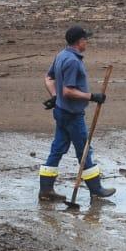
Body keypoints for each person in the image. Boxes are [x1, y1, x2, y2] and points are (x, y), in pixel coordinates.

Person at [37, 25, 116, 202]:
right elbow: (68, 91)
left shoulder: (61, 55)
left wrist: (54, 96)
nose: (87, 42)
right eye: (85, 39)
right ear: (80, 42)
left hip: (60, 111)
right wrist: (92, 96)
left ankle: (45, 191)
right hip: (72, 114)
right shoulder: (72, 61)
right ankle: (96, 190)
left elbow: (49, 78)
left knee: (57, 149)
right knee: (84, 150)